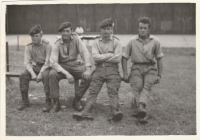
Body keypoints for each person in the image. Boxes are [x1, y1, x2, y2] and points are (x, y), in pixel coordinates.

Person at [73, 18, 123, 122]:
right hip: (99, 69)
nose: (105, 31)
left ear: (111, 30)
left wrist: (103, 57)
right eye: (103, 29)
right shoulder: (96, 42)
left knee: (113, 91)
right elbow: (95, 57)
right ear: (100, 30)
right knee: (93, 90)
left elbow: (118, 58)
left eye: (108, 29)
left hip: (112, 70)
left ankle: (115, 112)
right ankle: (86, 111)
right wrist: (110, 54)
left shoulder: (117, 42)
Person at [121, 17, 164, 123]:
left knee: (147, 85)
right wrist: (125, 73)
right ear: (138, 28)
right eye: (140, 28)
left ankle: (140, 107)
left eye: (145, 28)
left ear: (149, 29)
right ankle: (142, 113)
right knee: (137, 86)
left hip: (150, 68)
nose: (142, 30)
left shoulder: (155, 41)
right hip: (136, 67)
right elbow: (124, 57)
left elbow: (159, 58)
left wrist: (159, 75)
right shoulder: (132, 41)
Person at [49, 22, 91, 112]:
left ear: (71, 31)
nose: (65, 33)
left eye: (67, 31)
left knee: (88, 76)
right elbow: (53, 63)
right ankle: (56, 102)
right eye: (63, 31)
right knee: (52, 74)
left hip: (75, 65)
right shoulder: (56, 43)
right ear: (60, 33)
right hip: (62, 66)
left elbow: (84, 52)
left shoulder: (76, 39)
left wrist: (88, 68)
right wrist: (67, 74)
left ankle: (77, 100)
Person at [18, 25, 52, 112]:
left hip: (47, 67)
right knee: (23, 75)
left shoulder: (47, 45)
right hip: (36, 66)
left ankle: (48, 102)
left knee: (46, 76)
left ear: (41, 35)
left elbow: (48, 61)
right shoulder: (29, 46)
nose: (34, 38)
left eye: (36, 36)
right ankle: (25, 102)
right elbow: (27, 62)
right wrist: (33, 73)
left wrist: (40, 73)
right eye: (32, 36)